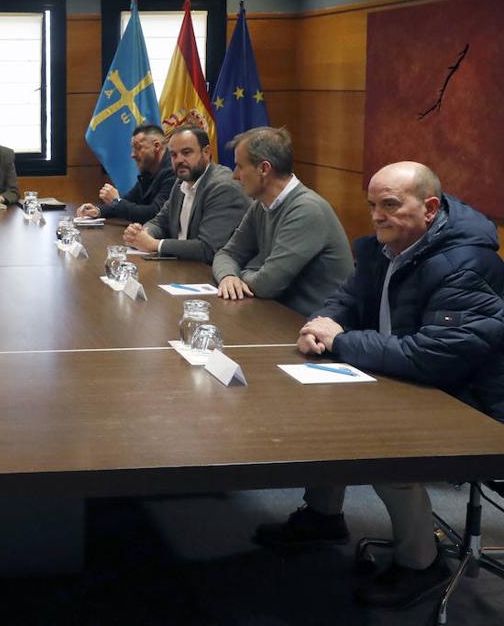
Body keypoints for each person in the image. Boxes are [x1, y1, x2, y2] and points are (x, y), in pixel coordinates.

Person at [255, 161, 504, 609]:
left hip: (469, 404)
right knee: (322, 407)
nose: (376, 216)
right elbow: (346, 298)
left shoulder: (466, 264)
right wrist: (322, 323)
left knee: (383, 443)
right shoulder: (381, 250)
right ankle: (324, 515)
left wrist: (344, 341)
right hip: (405, 379)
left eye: (390, 205)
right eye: (372, 205)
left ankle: (421, 564)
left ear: (429, 208)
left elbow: (434, 357)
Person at [211, 127, 353, 316]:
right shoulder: (260, 205)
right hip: (275, 313)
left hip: (312, 326)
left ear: (264, 169)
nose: (235, 175)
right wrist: (228, 276)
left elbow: (267, 284)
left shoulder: (307, 210)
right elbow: (227, 254)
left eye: (240, 166)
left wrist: (242, 272)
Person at [122, 125, 249, 263]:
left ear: (206, 152)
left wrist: (154, 244)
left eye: (186, 152)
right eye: (173, 155)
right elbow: (160, 221)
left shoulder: (222, 187)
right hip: (182, 265)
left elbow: (208, 248)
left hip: (211, 274)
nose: (179, 160)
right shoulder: (180, 183)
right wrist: (142, 233)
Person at [76, 123, 174, 223]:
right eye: (133, 148)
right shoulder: (148, 171)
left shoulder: (173, 172)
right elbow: (129, 201)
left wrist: (117, 202)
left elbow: (154, 214)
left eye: (138, 148)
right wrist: (98, 211)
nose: (133, 155)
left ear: (156, 146)